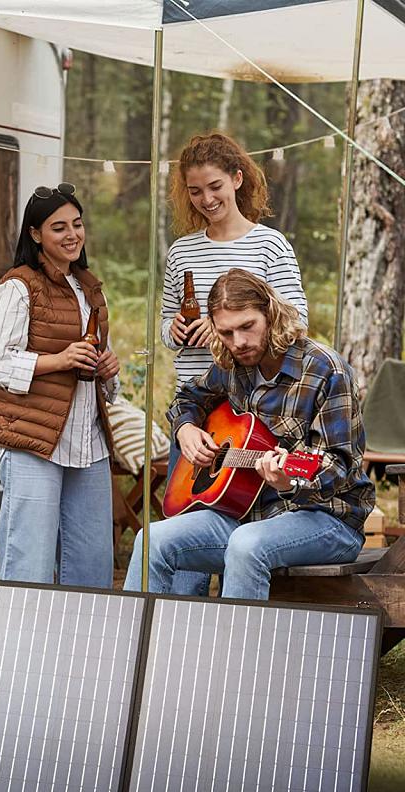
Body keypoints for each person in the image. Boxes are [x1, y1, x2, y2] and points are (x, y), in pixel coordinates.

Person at [125, 269, 374, 601]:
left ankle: (237, 652)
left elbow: (338, 466)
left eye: (247, 327)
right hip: (249, 514)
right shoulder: (233, 365)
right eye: (226, 332)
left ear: (270, 315)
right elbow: (189, 397)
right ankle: (141, 648)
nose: (238, 342)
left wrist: (289, 481)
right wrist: (185, 429)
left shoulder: (325, 370)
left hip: (327, 519)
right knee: (150, 541)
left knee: (246, 546)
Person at [160, 131, 309, 596]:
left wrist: (224, 326)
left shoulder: (269, 245)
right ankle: (173, 636)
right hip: (194, 411)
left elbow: (297, 319)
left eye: (216, 187)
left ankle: (230, 624)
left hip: (250, 412)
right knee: (183, 529)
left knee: (239, 521)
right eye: (195, 190)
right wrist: (177, 331)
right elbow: (165, 323)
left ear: (237, 179)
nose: (207, 199)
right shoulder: (181, 251)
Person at [0, 183, 120, 587]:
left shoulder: (89, 288)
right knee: (30, 561)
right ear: (35, 234)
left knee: (93, 564)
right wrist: (58, 360)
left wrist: (108, 371)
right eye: (59, 227)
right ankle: (18, 642)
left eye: (77, 224)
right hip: (33, 440)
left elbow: (97, 372)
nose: (72, 234)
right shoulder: (19, 286)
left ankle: (82, 644)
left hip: (88, 443)